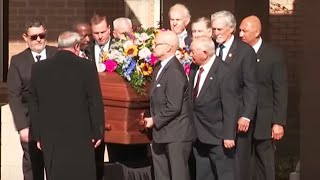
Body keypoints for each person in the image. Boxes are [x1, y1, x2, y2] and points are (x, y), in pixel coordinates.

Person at [28, 31, 104, 180]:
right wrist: (98, 131)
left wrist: (38, 136)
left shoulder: (39, 68)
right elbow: (94, 101)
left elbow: (33, 103)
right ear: (76, 47)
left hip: (51, 138)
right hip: (81, 137)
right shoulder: (86, 67)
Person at [7, 19, 57, 180]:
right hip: (30, 124)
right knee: (33, 168)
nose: (38, 40)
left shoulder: (57, 55)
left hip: (56, 124)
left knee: (55, 166)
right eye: (34, 36)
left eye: (41, 35)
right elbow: (14, 96)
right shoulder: (17, 61)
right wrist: (22, 127)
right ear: (25, 38)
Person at [239, 15, 288, 180]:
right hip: (243, 120)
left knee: (265, 163)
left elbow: (280, 90)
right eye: (239, 30)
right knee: (246, 164)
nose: (240, 34)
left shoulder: (273, 55)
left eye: (244, 30)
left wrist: (278, 122)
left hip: (264, 120)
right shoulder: (238, 53)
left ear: (257, 32)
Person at [211, 10, 258, 180]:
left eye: (220, 29)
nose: (216, 33)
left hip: (238, 116)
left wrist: (246, 115)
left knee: (238, 165)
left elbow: (251, 86)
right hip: (215, 118)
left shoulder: (244, 51)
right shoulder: (211, 48)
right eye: (214, 29)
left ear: (231, 28)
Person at [143, 30, 196, 180]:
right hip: (162, 133)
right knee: (162, 175)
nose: (153, 47)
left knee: (178, 175)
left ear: (168, 47)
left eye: (157, 44)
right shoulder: (159, 67)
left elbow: (174, 105)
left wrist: (154, 120)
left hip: (176, 135)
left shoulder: (174, 71)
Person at [189, 36, 238, 180]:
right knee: (203, 174)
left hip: (218, 134)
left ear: (205, 53)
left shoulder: (224, 72)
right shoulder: (194, 68)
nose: (190, 54)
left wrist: (229, 134)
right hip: (198, 134)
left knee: (224, 174)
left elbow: (230, 105)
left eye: (193, 52)